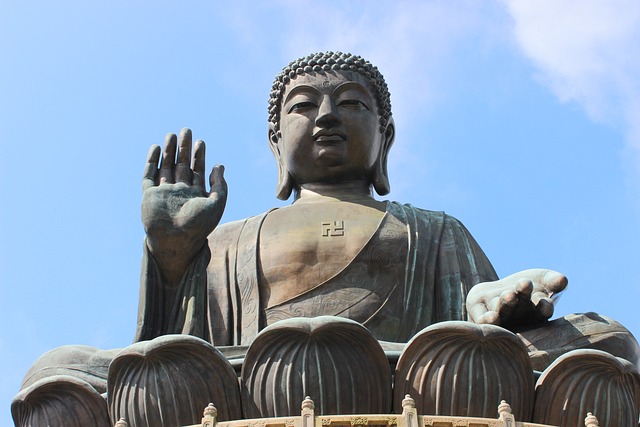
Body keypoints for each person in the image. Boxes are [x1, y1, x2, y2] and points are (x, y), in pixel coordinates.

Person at [14, 51, 639, 427]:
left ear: (384, 140)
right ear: (274, 144)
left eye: (351, 104)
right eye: (305, 106)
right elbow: (170, 350)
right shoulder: (229, 238)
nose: (328, 117)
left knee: (607, 341)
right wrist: (174, 257)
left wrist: (501, 308)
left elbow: (477, 322)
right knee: (56, 371)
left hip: (410, 378)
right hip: (241, 383)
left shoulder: (432, 229)